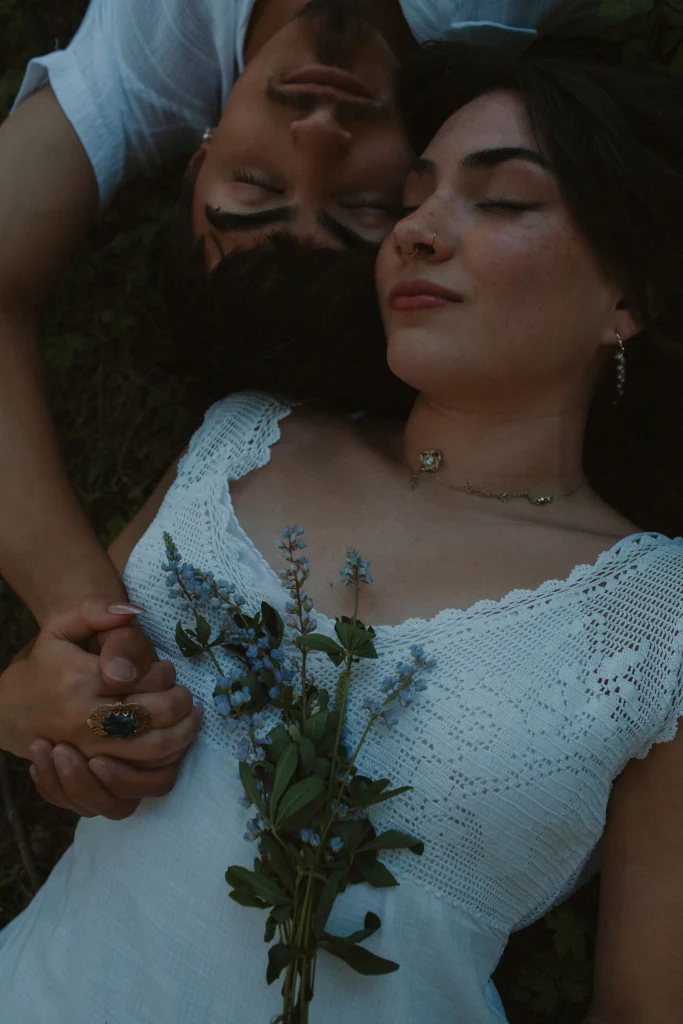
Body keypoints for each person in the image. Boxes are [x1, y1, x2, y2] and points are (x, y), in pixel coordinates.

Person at [3, 40, 683, 1024]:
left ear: (626, 296)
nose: (415, 232)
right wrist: (45, 720)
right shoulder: (239, 438)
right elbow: (51, 683)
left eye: (499, 199)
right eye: (410, 198)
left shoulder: (656, 623)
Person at [0, 0, 598, 821]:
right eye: (367, 209)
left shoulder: (155, 55)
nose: (318, 134)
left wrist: (77, 618)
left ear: (195, 160)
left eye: (252, 186)